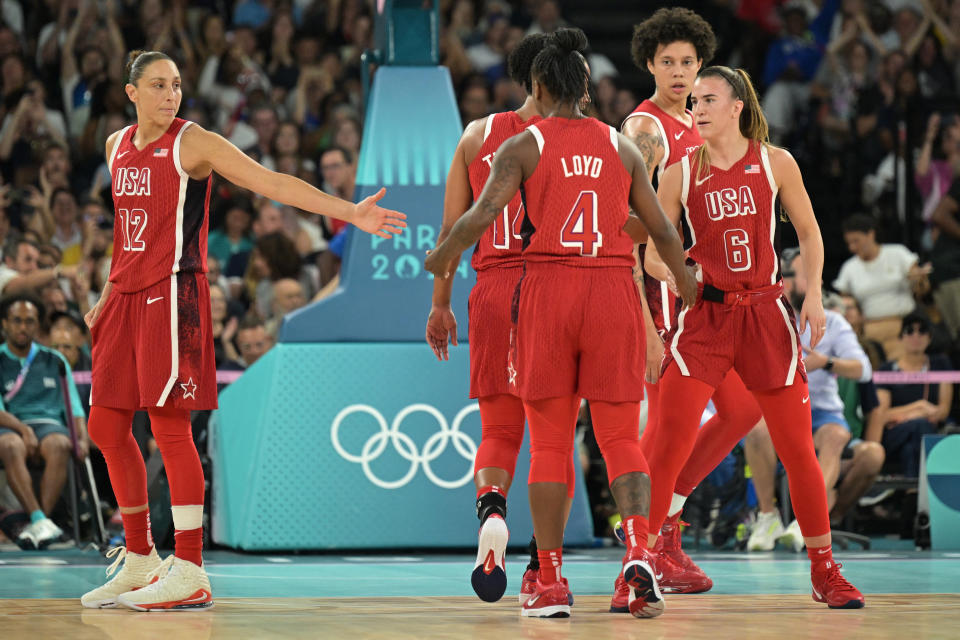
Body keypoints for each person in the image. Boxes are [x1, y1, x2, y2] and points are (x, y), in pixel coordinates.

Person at [80, 50, 406, 612]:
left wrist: (349, 212)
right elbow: (128, 232)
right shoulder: (115, 146)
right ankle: (138, 559)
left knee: (169, 428)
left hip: (172, 295)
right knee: (106, 428)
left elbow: (270, 182)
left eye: (177, 85)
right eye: (157, 85)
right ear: (131, 93)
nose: (171, 94)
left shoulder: (194, 142)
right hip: (124, 299)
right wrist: (109, 290)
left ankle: (190, 568)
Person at [427, 28, 697, 619]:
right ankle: (637, 556)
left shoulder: (517, 142)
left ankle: (547, 579)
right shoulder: (620, 144)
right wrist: (686, 282)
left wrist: (444, 259)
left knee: (546, 440)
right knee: (621, 439)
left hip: (541, 287)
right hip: (609, 289)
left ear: (540, 84)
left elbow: (479, 214)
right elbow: (660, 229)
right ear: (587, 87)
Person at [643, 65, 864, 608]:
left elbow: (811, 235)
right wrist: (672, 272)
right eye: (693, 100)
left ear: (737, 106)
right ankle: (641, 563)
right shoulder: (678, 172)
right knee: (667, 445)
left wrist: (812, 296)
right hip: (706, 318)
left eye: (708, 98)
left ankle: (824, 570)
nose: (697, 108)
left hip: (766, 313)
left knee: (798, 452)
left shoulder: (775, 161)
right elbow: (652, 251)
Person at [618, 7, 762, 598]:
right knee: (664, 434)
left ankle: (666, 527)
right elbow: (625, 229)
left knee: (743, 409)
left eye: (687, 62)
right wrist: (644, 327)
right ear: (649, 64)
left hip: (702, 304)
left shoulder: (703, 123)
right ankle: (643, 550)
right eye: (667, 62)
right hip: (658, 303)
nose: (678, 73)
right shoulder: (645, 129)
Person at [425, 32, 571, 605]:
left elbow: (450, 234)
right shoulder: (572, 138)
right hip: (552, 289)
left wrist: (440, 305)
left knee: (499, 431)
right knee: (553, 438)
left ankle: (492, 512)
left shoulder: (477, 135)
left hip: (489, 290)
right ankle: (541, 564)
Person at [742, 251, 884, 551]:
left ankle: (809, 519)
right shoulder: (767, 316)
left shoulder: (832, 321)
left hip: (821, 410)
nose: (789, 282)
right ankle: (768, 517)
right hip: (779, 405)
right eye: (787, 276)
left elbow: (864, 369)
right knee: (755, 430)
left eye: (796, 275)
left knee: (835, 435)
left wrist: (828, 363)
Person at [0, 295, 86, 549]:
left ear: (38, 326)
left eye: (29, 321)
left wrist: (80, 437)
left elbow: (74, 408)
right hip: (10, 424)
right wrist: (23, 429)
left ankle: (38, 525)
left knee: (61, 443)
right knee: (11, 445)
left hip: (48, 424)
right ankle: (40, 521)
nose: (23, 327)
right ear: (5, 323)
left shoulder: (55, 360)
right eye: (16, 321)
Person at [833, 214, 930, 361]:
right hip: (869, 331)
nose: (852, 247)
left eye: (856, 241)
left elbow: (922, 289)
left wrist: (918, 279)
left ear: (871, 234)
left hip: (903, 327)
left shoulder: (898, 253)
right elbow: (843, 304)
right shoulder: (849, 268)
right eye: (849, 243)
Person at [876, 313, 953, 478]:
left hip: (923, 434)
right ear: (901, 337)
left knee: (910, 447)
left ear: (930, 337)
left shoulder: (941, 364)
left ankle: (911, 494)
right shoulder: (887, 369)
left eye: (922, 331)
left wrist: (905, 415)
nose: (916, 336)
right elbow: (881, 416)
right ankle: (931, 487)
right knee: (919, 425)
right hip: (894, 435)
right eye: (909, 331)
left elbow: (942, 411)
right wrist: (919, 407)